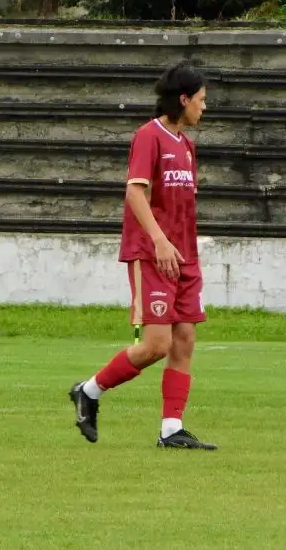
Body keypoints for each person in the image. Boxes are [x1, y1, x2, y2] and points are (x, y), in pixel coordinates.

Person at [68, 60, 217, 450]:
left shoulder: (186, 146)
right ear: (183, 99)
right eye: (201, 100)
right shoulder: (148, 136)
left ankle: (171, 429)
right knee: (156, 345)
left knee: (184, 340)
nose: (205, 107)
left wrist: (185, 248)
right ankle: (89, 390)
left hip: (184, 257)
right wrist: (160, 240)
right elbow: (135, 192)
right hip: (152, 255)